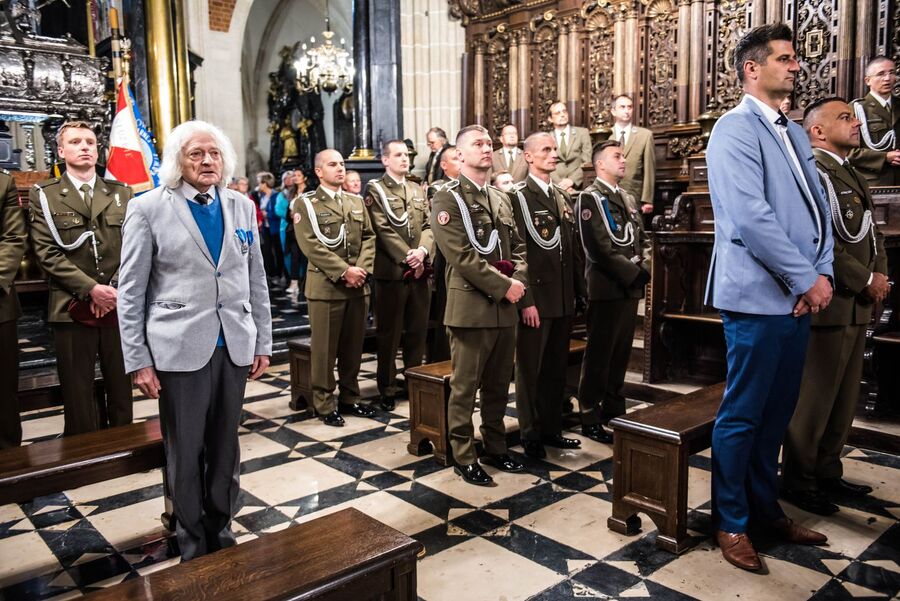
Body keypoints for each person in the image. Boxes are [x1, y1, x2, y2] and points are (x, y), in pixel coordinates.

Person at [705, 24, 833, 572]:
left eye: (796, 59)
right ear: (752, 69)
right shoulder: (734, 129)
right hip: (758, 297)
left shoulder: (795, 132)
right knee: (743, 415)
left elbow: (816, 210)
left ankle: (766, 512)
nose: (796, 67)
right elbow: (752, 219)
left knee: (777, 413)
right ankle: (731, 522)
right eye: (785, 58)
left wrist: (819, 271)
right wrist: (806, 279)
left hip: (797, 296)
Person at [117, 119, 272, 561]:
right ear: (177, 162)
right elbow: (132, 291)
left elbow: (254, 277)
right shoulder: (148, 207)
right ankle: (190, 539)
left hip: (234, 344)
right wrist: (138, 360)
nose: (207, 161)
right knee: (185, 451)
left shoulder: (241, 205)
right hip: (178, 348)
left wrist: (262, 340)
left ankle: (220, 528)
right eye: (196, 154)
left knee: (226, 446)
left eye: (215, 154)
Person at [781, 97, 889, 515]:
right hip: (831, 300)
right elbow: (817, 238)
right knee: (815, 399)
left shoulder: (849, 171)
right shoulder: (813, 171)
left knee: (844, 400)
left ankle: (827, 470)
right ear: (818, 131)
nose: (856, 123)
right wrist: (864, 279)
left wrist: (881, 276)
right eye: (845, 117)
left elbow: (870, 234)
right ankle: (798, 478)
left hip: (856, 304)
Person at [431, 125, 528, 486]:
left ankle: (497, 446)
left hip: (505, 308)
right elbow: (461, 255)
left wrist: (518, 283)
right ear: (459, 154)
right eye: (478, 144)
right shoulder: (446, 198)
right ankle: (463, 454)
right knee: (465, 386)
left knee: (499, 384)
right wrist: (505, 286)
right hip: (471, 308)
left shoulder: (501, 198)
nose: (486, 148)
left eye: (489, 143)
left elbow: (518, 247)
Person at [29, 121, 134, 435]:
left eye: (90, 141)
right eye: (75, 142)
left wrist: (110, 290)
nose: (85, 147)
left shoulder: (120, 192)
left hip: (117, 302)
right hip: (70, 304)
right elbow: (46, 252)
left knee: (120, 382)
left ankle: (123, 443)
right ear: (61, 151)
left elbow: (134, 248)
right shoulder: (45, 195)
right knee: (77, 387)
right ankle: (83, 451)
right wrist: (90, 289)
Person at [510, 132, 584, 459]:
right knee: (530, 371)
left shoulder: (561, 196)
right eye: (546, 150)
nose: (554, 155)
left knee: (555, 369)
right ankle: (530, 433)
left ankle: (552, 428)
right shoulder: (517, 197)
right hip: (537, 299)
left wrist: (578, 294)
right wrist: (526, 301)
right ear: (528, 156)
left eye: (555, 149)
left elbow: (572, 250)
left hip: (563, 297)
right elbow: (518, 253)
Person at [294, 149, 377, 425]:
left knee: (353, 348)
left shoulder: (355, 202)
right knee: (325, 350)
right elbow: (310, 244)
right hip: (327, 288)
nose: (340, 169)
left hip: (358, 285)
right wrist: (344, 271)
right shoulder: (305, 204)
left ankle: (351, 397)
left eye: (342, 164)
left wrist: (361, 269)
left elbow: (369, 236)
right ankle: (325, 403)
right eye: (332, 164)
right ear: (319, 171)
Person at [576, 141, 650, 444]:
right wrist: (635, 274)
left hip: (627, 289)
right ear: (600, 165)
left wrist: (644, 266)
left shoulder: (628, 197)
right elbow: (598, 249)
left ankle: (613, 409)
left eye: (623, 155)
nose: (623, 160)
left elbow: (641, 239)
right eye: (617, 157)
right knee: (599, 354)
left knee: (619, 354)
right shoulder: (589, 199)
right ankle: (590, 413)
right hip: (606, 289)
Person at [365, 140, 433, 411]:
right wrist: (410, 256)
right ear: (385, 160)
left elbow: (429, 225)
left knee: (417, 332)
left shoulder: (417, 189)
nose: (405, 159)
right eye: (398, 155)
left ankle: (414, 382)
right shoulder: (376, 190)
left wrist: (424, 252)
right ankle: (387, 387)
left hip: (419, 271)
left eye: (407, 155)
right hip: (393, 273)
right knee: (389, 335)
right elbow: (382, 229)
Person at [427, 145, 461, 362]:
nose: (461, 161)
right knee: (444, 310)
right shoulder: (438, 188)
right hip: (444, 256)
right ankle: (441, 360)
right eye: (455, 158)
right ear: (444, 165)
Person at [0, 168, 25, 449]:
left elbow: (13, 237)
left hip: (0, 304)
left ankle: (10, 469)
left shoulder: (3, 182)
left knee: (3, 397)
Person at [849, 56, 900, 186]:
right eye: (881, 74)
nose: (888, 78)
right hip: (875, 184)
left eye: (892, 73)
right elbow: (848, 152)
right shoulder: (856, 109)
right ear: (868, 81)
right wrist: (885, 157)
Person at [608, 95, 656, 215]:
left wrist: (647, 200)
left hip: (634, 196)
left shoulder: (645, 135)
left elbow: (649, 170)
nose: (626, 110)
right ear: (613, 111)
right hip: (609, 195)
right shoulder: (606, 135)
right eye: (622, 107)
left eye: (629, 107)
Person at [276, 170, 306, 302]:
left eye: (298, 175)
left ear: (304, 177)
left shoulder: (310, 190)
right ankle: (294, 282)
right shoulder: (292, 192)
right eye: (294, 176)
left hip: (307, 228)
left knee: (306, 256)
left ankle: (306, 282)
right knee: (294, 255)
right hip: (292, 229)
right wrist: (291, 215)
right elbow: (287, 210)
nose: (295, 178)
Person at [548, 102, 592, 193]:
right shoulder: (547, 138)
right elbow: (546, 163)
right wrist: (560, 184)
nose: (562, 115)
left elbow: (587, 162)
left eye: (564, 111)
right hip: (555, 187)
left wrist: (572, 181)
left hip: (579, 186)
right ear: (550, 119)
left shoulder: (582, 133)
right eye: (558, 113)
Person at [252, 171, 279, 281]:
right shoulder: (261, 196)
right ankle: (270, 274)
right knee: (267, 251)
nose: (258, 185)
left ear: (265, 183)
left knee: (278, 251)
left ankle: (279, 275)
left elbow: (278, 211)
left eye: (259, 183)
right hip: (265, 227)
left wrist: (267, 214)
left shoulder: (276, 195)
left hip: (275, 227)